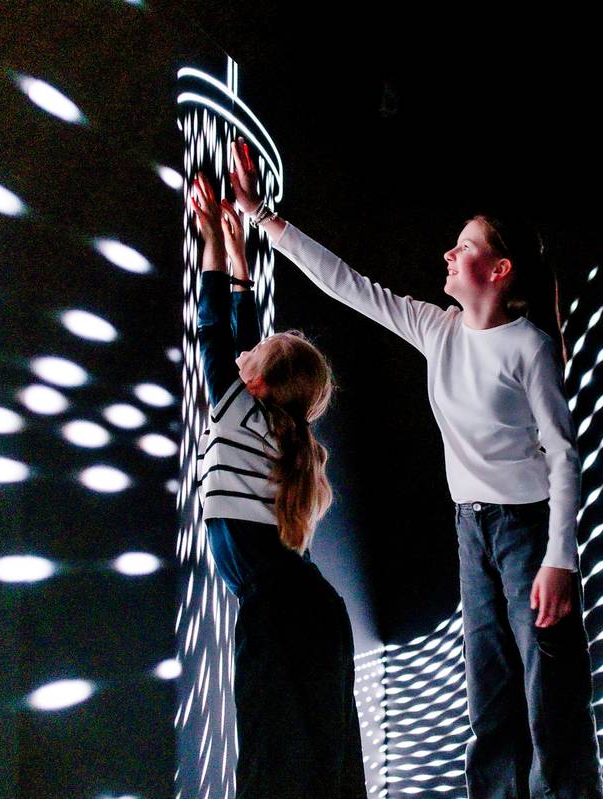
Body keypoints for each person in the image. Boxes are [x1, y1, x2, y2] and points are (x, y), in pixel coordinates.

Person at [227, 138, 603, 799]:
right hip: (472, 530)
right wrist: (261, 216)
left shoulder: (529, 349)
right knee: (489, 697)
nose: (448, 255)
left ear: (499, 269)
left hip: (528, 531)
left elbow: (564, 454)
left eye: (464, 246)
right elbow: (347, 284)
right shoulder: (439, 329)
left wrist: (559, 559)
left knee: (550, 700)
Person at [188, 172, 366, 799]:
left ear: (258, 383)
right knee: (322, 770)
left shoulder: (241, 409)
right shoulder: (273, 424)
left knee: (275, 769)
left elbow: (214, 328)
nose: (247, 353)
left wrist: (212, 238)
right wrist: (238, 255)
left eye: (256, 356)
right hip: (312, 612)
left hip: (281, 617)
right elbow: (238, 333)